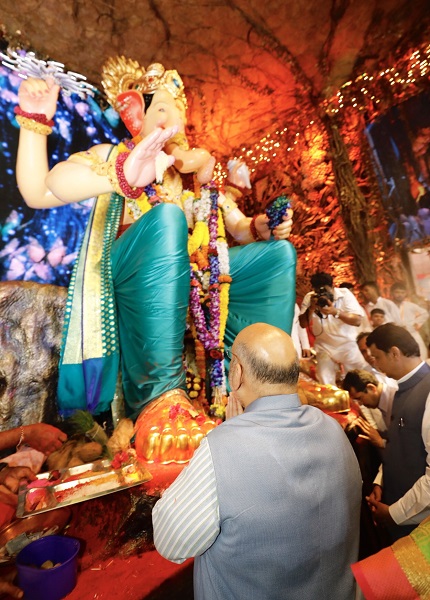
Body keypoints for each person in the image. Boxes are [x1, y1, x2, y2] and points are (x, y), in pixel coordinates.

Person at [14, 60, 296, 462]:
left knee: (277, 257)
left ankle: (264, 382)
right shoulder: (114, 156)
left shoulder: (198, 178)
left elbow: (239, 229)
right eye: (160, 107)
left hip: (198, 285)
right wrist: (37, 123)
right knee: (167, 218)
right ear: (134, 117)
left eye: (177, 109)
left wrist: (263, 226)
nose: (172, 117)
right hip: (134, 278)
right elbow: (41, 190)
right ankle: (159, 403)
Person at [152, 323, 362, 600]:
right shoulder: (333, 429)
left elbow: (172, 543)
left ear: (236, 372)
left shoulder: (222, 447)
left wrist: (230, 436)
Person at [365, 323, 430, 541]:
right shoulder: (400, 389)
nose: (374, 364)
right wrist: (380, 482)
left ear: (394, 353)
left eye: (376, 357)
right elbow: (397, 443)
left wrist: (394, 513)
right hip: (397, 506)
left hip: (415, 522)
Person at [299, 272, 367, 385]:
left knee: (359, 379)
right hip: (324, 347)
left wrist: (335, 312)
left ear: (332, 286)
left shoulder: (345, 294)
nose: (322, 294)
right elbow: (302, 324)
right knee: (324, 379)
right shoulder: (310, 298)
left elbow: (357, 320)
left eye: (325, 290)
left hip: (348, 345)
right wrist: (311, 308)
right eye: (318, 291)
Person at [343, 369, 397, 449]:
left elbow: (407, 441)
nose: (360, 404)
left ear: (371, 388)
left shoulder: (395, 399)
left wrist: (381, 442)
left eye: (359, 398)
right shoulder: (383, 400)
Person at [390, 281, 429, 360]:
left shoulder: (409, 305)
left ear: (405, 294)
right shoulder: (389, 306)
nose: (400, 295)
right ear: (392, 293)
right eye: (397, 292)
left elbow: (425, 313)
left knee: (421, 354)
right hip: (397, 336)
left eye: (402, 292)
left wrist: (416, 323)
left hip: (412, 333)